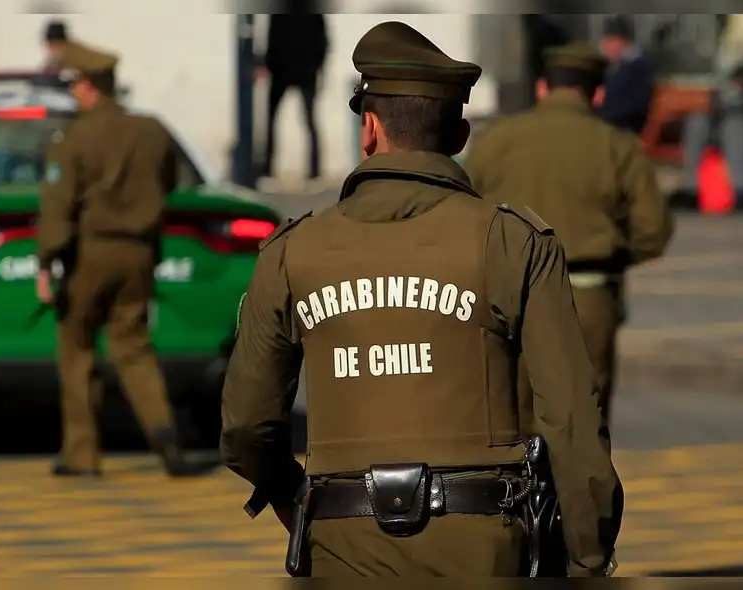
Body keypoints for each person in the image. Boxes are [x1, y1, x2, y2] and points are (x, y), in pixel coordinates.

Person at [221, 22, 622, 577]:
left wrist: (296, 498)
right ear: (458, 136)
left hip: (344, 543)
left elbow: (245, 426)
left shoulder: (293, 252)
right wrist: (589, 556)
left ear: (369, 128)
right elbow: (574, 420)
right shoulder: (512, 242)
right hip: (486, 543)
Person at [465, 42, 673, 424]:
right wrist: (614, 252)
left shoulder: (494, 140)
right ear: (598, 93)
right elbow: (653, 231)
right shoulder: (618, 146)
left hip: (509, 296)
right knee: (581, 427)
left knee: (513, 423)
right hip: (588, 294)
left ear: (542, 88)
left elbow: (462, 211)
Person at [35, 41, 203, 478]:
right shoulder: (149, 131)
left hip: (91, 252)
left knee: (77, 346)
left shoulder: (73, 139)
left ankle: (82, 453)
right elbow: (170, 179)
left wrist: (45, 261)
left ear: (89, 88)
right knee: (133, 346)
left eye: (76, 85)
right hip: (140, 252)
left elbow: (58, 205)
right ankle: (164, 435)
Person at [257, 3, 328, 185]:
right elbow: (323, 42)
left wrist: (269, 64)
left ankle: (269, 170)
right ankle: (314, 172)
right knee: (308, 121)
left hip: (287, 72)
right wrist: (317, 68)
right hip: (301, 72)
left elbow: (272, 40)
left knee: (276, 121)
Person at [672, 62, 743, 210]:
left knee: (735, 127)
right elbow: (715, 108)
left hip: (737, 130)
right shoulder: (727, 90)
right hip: (720, 127)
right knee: (697, 121)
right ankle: (692, 189)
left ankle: (741, 191)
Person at [597, 15, 655, 135]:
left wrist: (600, 116)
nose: (605, 46)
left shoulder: (638, 68)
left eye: (610, 41)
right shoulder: (611, 67)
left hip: (625, 129)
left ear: (623, 41)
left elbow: (635, 106)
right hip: (607, 124)